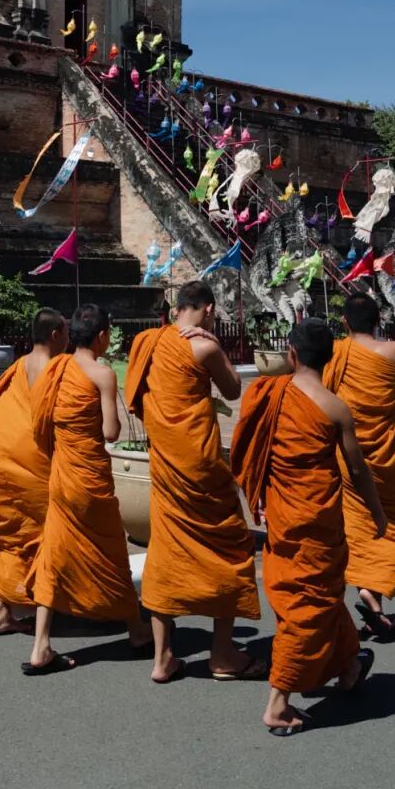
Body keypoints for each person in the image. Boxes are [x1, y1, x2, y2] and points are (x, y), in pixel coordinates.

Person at [230, 318, 386, 736]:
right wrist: (377, 513)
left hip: (284, 513)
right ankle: (278, 703)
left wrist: (256, 495)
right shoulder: (335, 407)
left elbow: (248, 449)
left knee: (319, 592)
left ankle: (348, 666)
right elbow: (357, 469)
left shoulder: (268, 393)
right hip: (317, 516)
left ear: (292, 354)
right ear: (330, 358)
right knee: (309, 604)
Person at [125, 280, 262, 686]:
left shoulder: (146, 342)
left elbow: (137, 396)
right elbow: (233, 390)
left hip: (167, 463)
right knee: (231, 547)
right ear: (208, 309)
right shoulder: (204, 346)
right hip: (200, 465)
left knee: (166, 552)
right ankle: (222, 654)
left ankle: (162, 658)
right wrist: (215, 343)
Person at [24, 303, 151, 675]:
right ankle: (136, 630)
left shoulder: (56, 368)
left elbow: (41, 420)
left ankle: (40, 646)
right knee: (112, 552)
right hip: (90, 478)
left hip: (63, 475)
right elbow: (111, 432)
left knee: (53, 555)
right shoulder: (102, 373)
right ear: (102, 336)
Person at [0, 308, 70, 634]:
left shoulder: (16, 368)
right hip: (32, 473)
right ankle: (42, 634)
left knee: (12, 542)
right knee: (41, 540)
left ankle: (2, 612)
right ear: (55, 335)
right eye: (65, 333)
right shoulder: (60, 370)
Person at [322, 293, 395, 637]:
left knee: (359, 524)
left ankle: (367, 594)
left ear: (345, 322)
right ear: (378, 321)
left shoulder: (335, 352)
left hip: (348, 453)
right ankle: (372, 593)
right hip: (388, 455)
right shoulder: (394, 351)